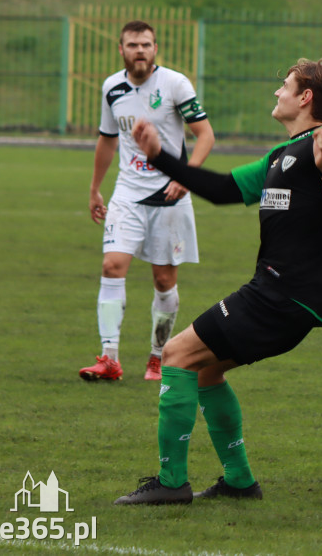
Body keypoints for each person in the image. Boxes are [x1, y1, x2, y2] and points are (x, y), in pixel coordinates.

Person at [114, 58, 322, 505]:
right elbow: (219, 190)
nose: (278, 93)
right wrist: (160, 156)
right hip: (283, 297)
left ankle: (171, 483)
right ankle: (239, 482)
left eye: (286, 86)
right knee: (207, 373)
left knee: (176, 355)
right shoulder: (281, 156)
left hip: (282, 294)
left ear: (305, 97)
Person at [81, 20, 215, 383]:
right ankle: (109, 358)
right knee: (112, 266)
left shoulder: (175, 84)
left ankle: (158, 357)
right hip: (127, 194)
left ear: (155, 49)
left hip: (169, 196)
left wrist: (186, 177)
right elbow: (107, 140)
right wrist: (96, 188)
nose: (139, 50)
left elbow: (205, 135)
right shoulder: (112, 87)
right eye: (132, 45)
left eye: (146, 44)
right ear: (121, 50)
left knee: (163, 279)